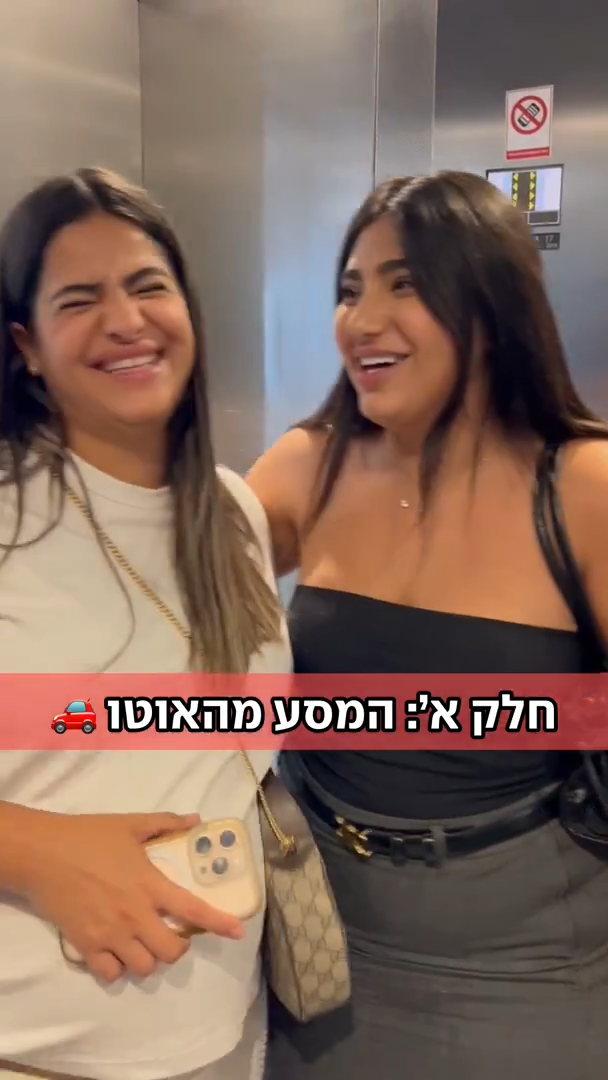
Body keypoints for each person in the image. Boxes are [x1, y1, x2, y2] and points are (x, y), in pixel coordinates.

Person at [247, 170, 608, 1079]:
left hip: (527, 959)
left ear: (489, 302)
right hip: (315, 933)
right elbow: (159, 605)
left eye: (403, 284)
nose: (362, 320)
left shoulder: (582, 487)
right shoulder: (307, 467)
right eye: (350, 289)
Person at [0, 167, 291, 1080]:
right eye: (79, 300)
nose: (125, 320)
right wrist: (32, 852)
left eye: (147, 286)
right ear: (27, 346)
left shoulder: (233, 512)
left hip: (226, 1039)